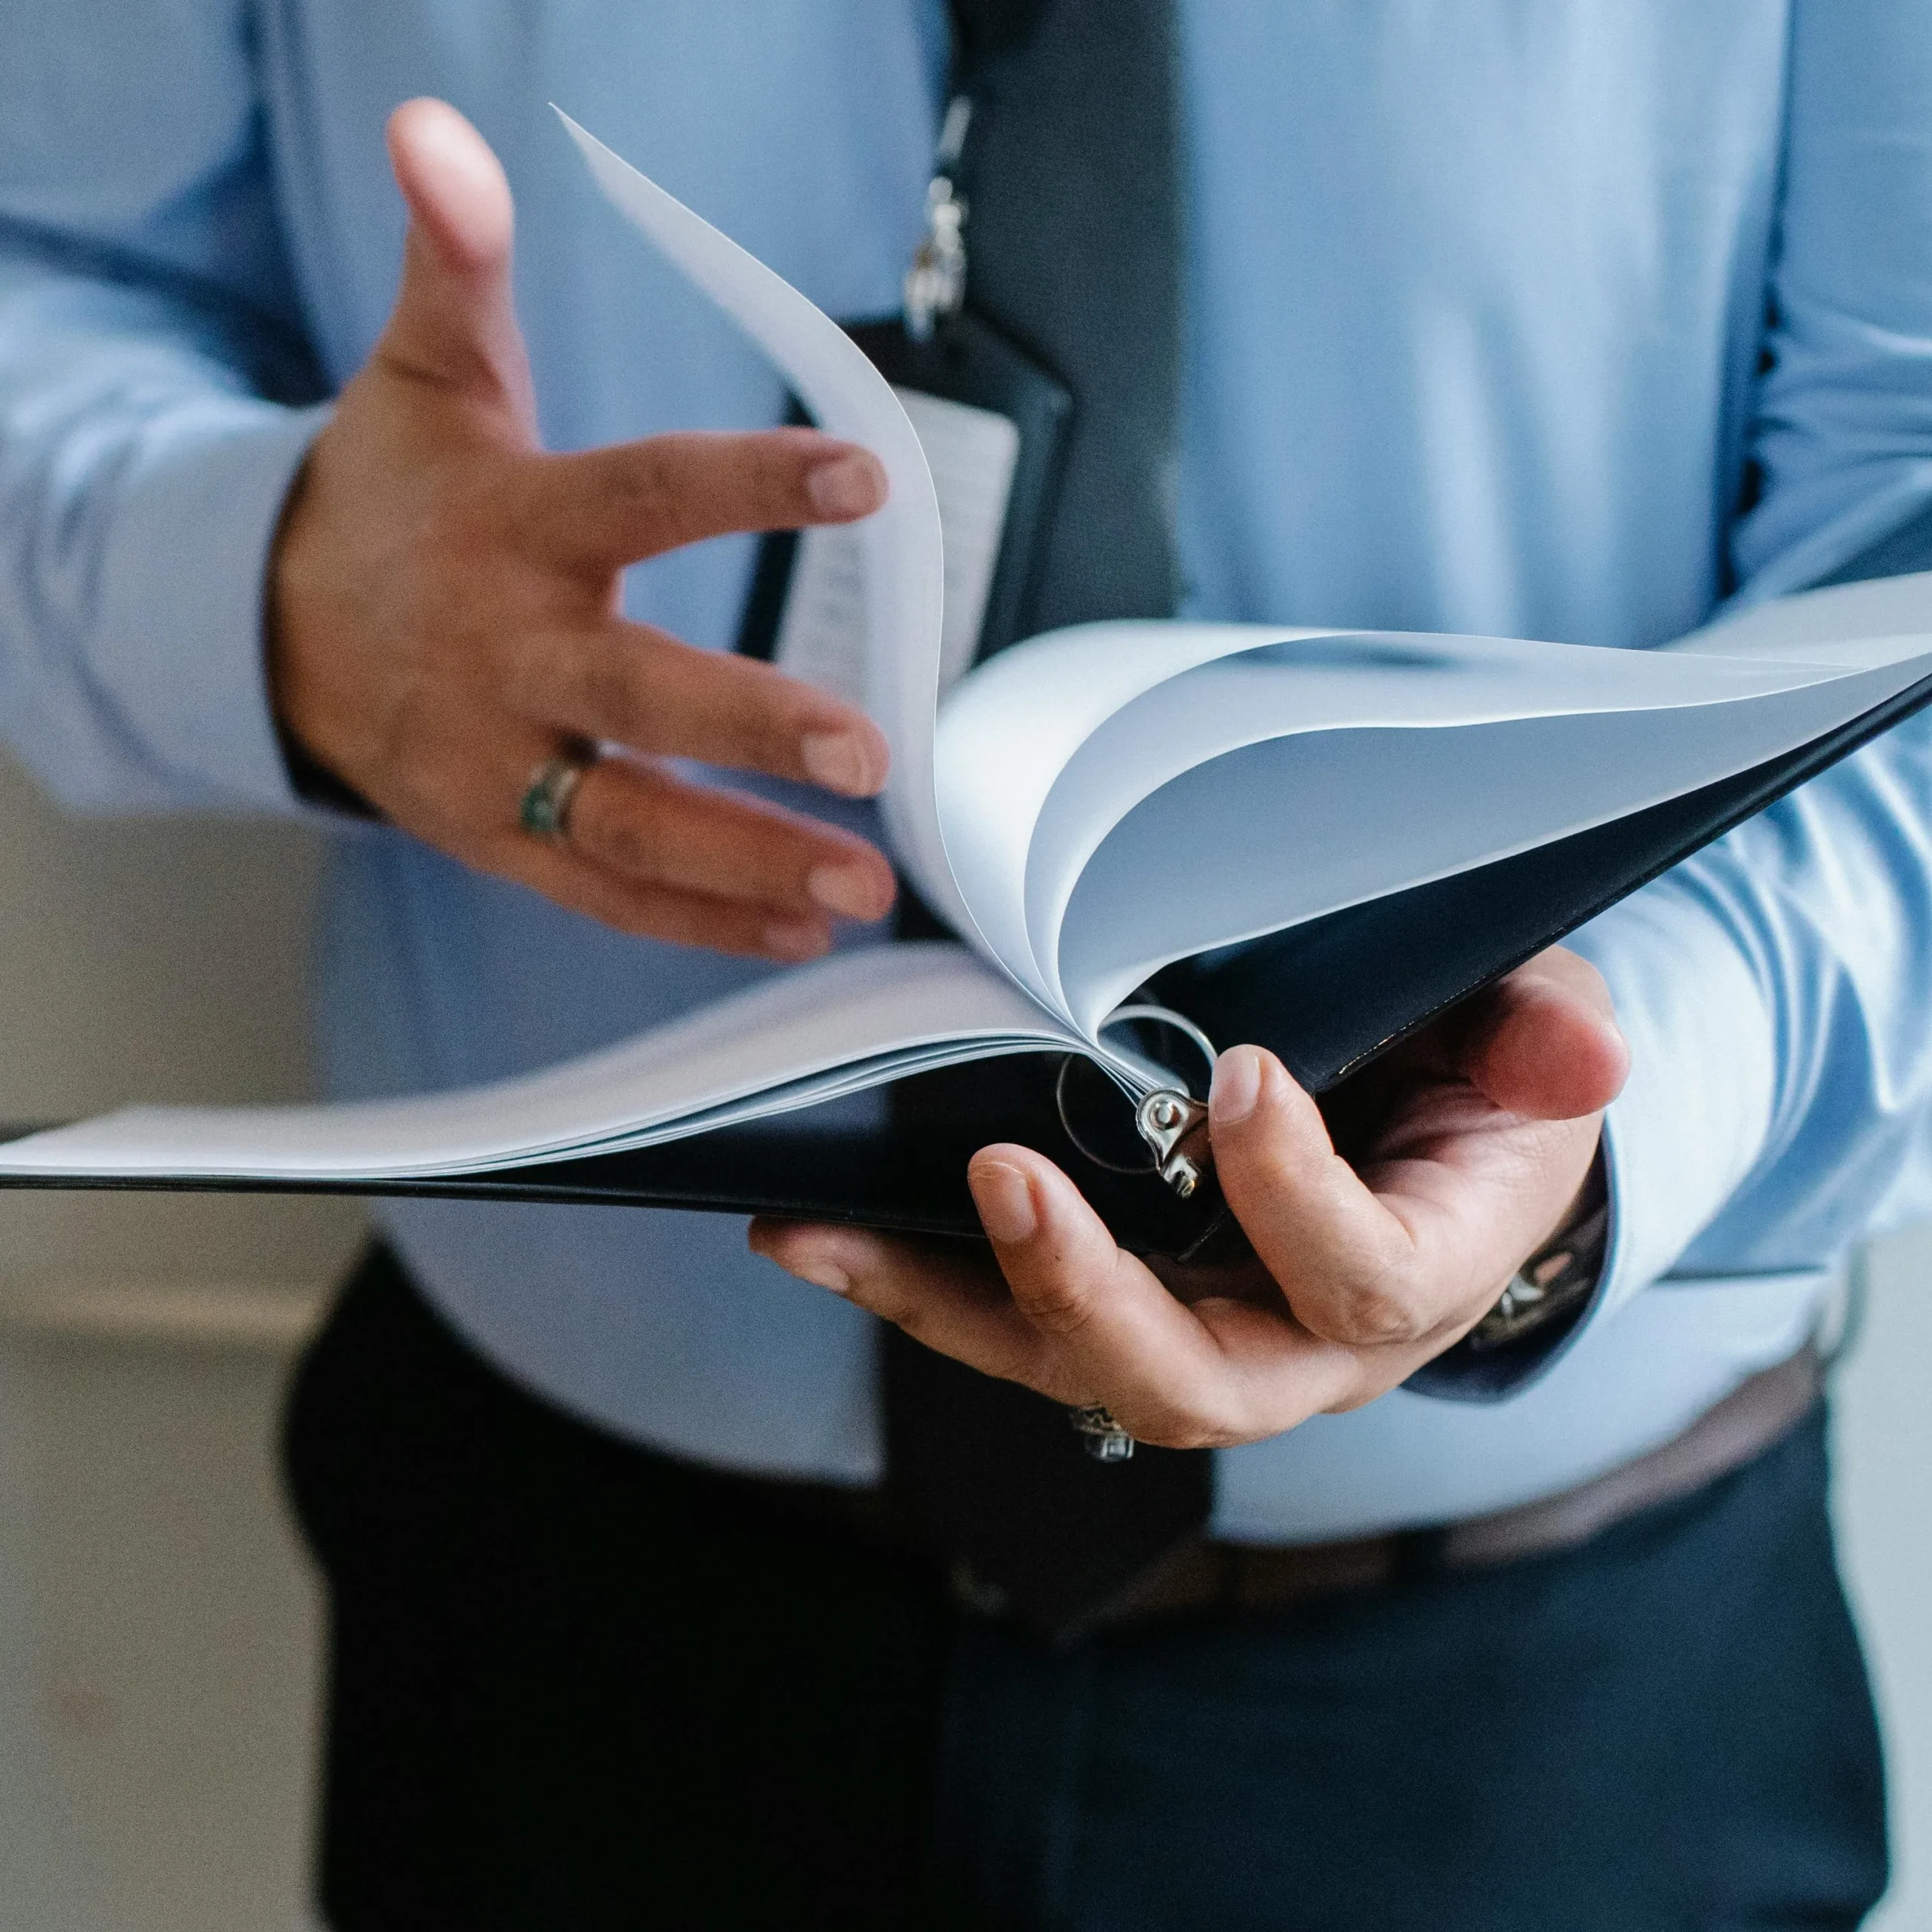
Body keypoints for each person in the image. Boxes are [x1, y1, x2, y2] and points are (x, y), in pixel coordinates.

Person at [1, 4, 1927, 1926]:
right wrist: (270, 590)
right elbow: (50, 278)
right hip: (566, 1636)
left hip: (1550, 1718)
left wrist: (1604, 1083)